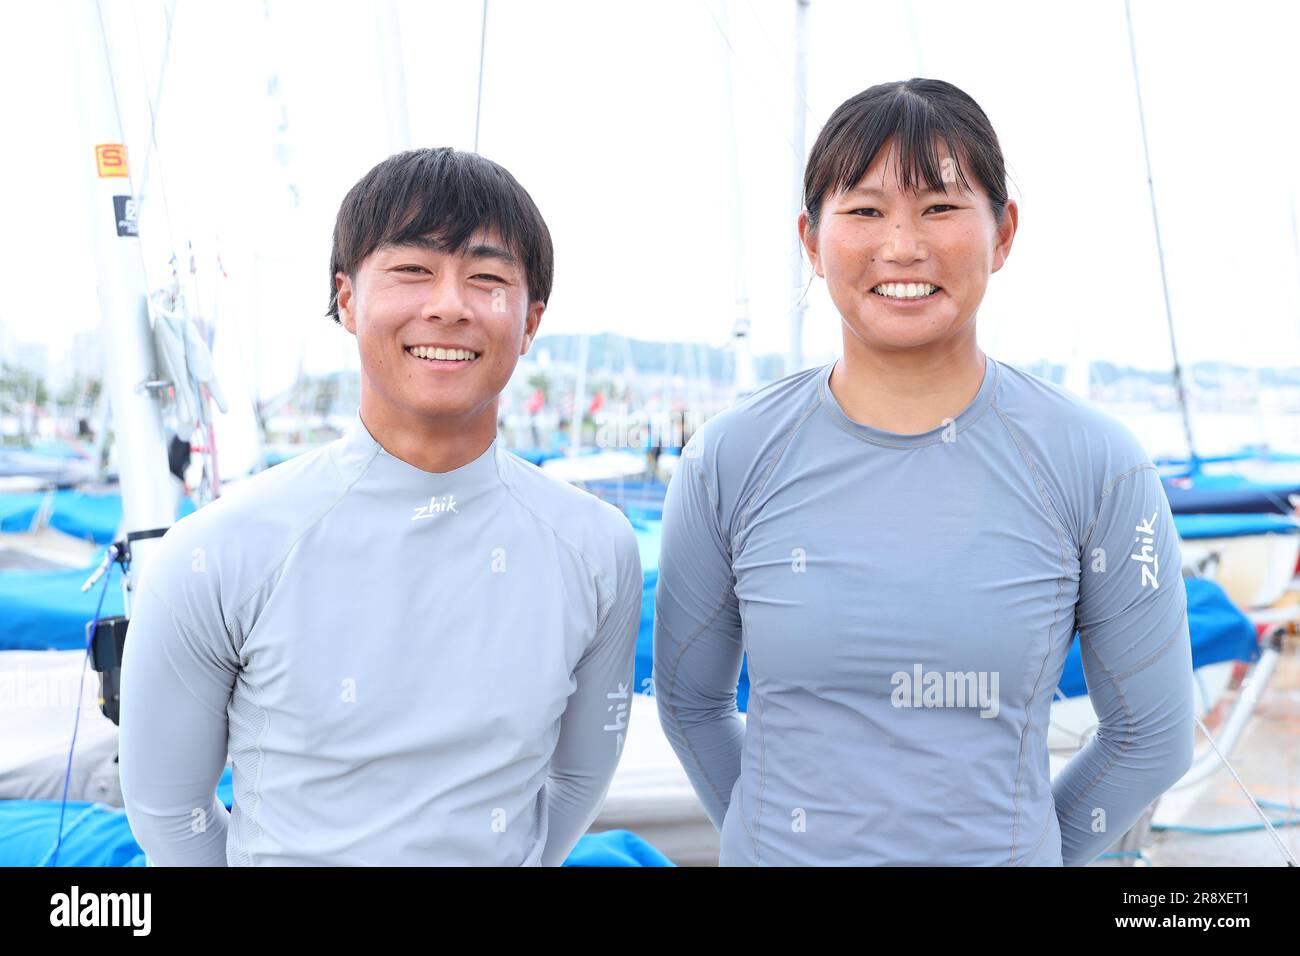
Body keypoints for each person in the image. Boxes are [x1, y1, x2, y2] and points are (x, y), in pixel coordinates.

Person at [653, 78, 1195, 866]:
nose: (902, 247)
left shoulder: (1096, 464)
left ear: (1003, 234)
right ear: (811, 239)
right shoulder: (729, 458)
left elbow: (1153, 736)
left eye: (940, 208)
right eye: (866, 211)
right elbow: (689, 703)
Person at [119, 148, 643, 866]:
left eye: (488, 279)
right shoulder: (218, 550)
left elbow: (579, 777)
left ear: (530, 322)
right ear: (346, 298)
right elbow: (167, 815)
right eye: (412, 271)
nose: (449, 304)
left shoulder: (597, 546)